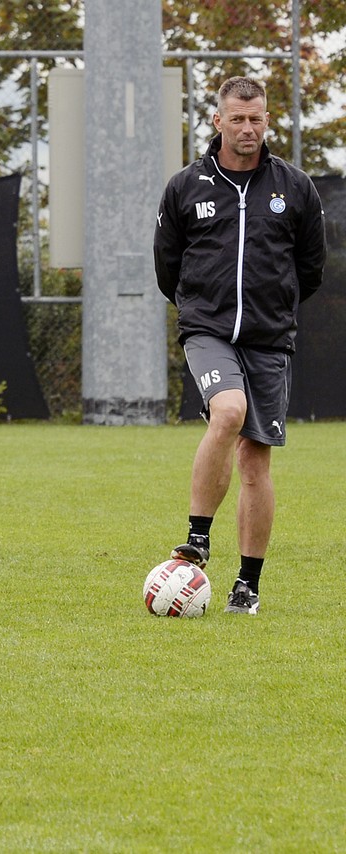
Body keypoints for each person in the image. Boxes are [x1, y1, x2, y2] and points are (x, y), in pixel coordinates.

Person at [153, 76, 326, 615]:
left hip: (270, 339)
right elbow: (167, 267)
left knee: (256, 462)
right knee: (227, 411)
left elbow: (311, 269)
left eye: (256, 119)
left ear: (267, 120)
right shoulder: (186, 186)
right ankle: (198, 536)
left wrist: (272, 308)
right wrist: (201, 311)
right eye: (237, 118)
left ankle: (247, 586)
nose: (247, 128)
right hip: (207, 331)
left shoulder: (295, 188)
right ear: (217, 121)